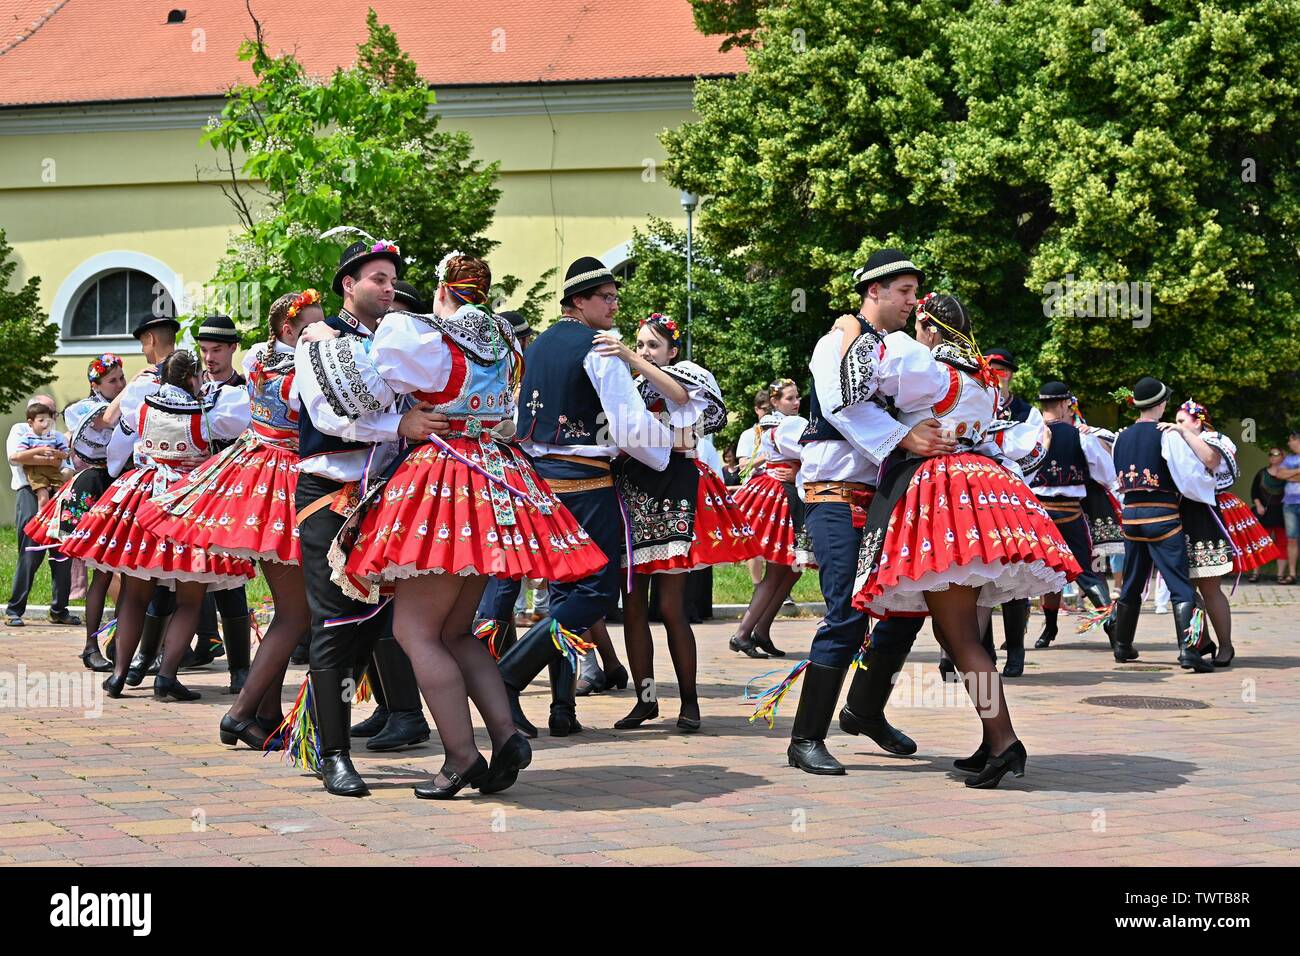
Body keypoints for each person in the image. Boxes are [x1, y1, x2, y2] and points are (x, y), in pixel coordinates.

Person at [323, 252, 608, 797]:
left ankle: (460, 756)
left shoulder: (425, 337)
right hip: (497, 479)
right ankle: (505, 734)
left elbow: (372, 377)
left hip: (444, 477)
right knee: (455, 630)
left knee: (415, 631)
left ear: (442, 290)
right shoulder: (506, 340)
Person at [851, 293, 1072, 788]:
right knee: (958, 633)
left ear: (929, 326)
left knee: (960, 637)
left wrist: (852, 331)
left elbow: (862, 382)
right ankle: (994, 737)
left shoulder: (926, 368)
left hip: (940, 497)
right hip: (981, 492)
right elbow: (1011, 441)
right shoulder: (984, 380)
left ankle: (1004, 741)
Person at [759, 250, 955, 776]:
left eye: (915, 293)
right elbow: (843, 407)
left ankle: (865, 711)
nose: (912, 303)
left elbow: (922, 401)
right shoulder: (836, 343)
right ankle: (804, 739)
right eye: (903, 293)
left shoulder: (895, 349)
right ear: (874, 291)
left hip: (887, 498)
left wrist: (929, 426)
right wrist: (904, 436)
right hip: (834, 494)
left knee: (905, 607)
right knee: (846, 614)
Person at [286, 233, 449, 796]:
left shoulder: (394, 339)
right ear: (348, 285)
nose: (387, 287)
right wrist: (398, 426)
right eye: (376, 279)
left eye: (391, 280)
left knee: (376, 621)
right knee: (336, 621)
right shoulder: (319, 341)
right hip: (329, 494)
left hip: (386, 495)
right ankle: (334, 754)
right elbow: (329, 418)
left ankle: (323, 730)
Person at [495, 256, 674, 738]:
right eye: (605, 298)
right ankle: (507, 676)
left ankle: (561, 708)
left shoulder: (535, 348)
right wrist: (667, 448)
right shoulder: (600, 348)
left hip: (539, 482)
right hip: (586, 481)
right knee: (594, 590)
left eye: (615, 296)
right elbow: (630, 424)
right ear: (579, 301)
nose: (615, 306)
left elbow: (516, 417)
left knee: (562, 594)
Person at [138, 291, 325, 747]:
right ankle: (241, 714)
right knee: (296, 613)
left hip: (255, 478)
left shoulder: (262, 358)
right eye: (313, 328)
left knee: (291, 609)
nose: (323, 336)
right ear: (288, 330)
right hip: (286, 486)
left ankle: (266, 711)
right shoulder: (302, 370)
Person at [64, 348, 253, 700]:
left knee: (135, 595)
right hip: (188, 504)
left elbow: (117, 452)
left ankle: (119, 674)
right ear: (193, 378)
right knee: (189, 599)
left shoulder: (142, 402)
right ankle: (166, 677)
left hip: (144, 500)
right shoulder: (211, 410)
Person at [599, 313, 757, 731]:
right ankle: (646, 699)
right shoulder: (631, 384)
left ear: (672, 350)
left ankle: (689, 703)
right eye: (640, 343)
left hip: (675, 488)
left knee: (670, 607)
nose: (645, 351)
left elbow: (683, 402)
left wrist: (634, 358)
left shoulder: (686, 374)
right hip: (632, 488)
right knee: (632, 605)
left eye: (653, 345)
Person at [1108, 377, 1219, 673]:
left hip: (1131, 519)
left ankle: (1121, 645)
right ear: (1161, 404)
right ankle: (1189, 651)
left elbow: (1114, 479)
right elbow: (1189, 478)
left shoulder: (1121, 437)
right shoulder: (1166, 434)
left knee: (1131, 582)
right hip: (1163, 518)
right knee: (1180, 586)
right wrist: (1210, 486)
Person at [24, 356, 127, 668]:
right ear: (94, 385)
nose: (120, 385)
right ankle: (91, 645)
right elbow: (104, 420)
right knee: (103, 571)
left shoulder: (130, 405)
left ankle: (123, 639)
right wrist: (135, 387)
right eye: (113, 381)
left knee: (131, 570)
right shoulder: (80, 408)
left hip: (123, 486)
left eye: (122, 378)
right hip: (94, 488)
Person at [1173, 400, 1280, 667]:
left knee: (1209, 586)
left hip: (1210, 514)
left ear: (1198, 422)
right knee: (1184, 587)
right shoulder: (1176, 441)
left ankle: (1226, 646)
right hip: (1183, 514)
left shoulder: (1215, 439)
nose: (1177, 427)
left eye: (1182, 421)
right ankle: (1201, 641)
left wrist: (1184, 435)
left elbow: (1212, 461)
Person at [1025, 381, 1119, 662]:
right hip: (1070, 513)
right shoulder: (1082, 436)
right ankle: (1113, 629)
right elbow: (1106, 474)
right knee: (1087, 571)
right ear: (1066, 403)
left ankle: (1036, 635)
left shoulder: (1029, 434)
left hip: (1038, 516)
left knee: (1040, 572)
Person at [729, 379, 810, 658]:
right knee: (778, 571)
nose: (796, 402)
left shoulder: (791, 422)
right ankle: (743, 633)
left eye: (797, 397)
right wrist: (794, 472)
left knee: (791, 571)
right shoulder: (779, 425)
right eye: (789, 398)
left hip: (792, 493)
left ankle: (760, 631)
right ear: (775, 402)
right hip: (780, 497)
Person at [6, 396, 79, 628]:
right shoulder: (20, 430)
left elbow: (66, 468)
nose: (50, 418)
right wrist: (47, 459)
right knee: (30, 552)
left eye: (54, 413)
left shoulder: (57, 436)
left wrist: (44, 459)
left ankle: (59, 609)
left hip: (58, 493)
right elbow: (16, 459)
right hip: (29, 492)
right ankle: (15, 609)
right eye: (45, 412)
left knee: (62, 553)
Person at [736, 387, 771, 587]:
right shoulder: (750, 434)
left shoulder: (781, 431)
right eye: (765, 410)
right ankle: (758, 584)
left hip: (778, 488)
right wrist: (765, 457)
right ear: (757, 410)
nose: (769, 415)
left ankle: (775, 585)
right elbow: (742, 466)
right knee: (756, 538)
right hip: (757, 490)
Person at [17, 405, 71, 508]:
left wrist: (56, 453)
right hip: (36, 471)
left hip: (53, 471)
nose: (45, 424)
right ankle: (41, 520)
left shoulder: (54, 437)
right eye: (41, 420)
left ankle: (57, 517)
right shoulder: (27, 437)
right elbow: (21, 455)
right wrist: (39, 451)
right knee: (43, 497)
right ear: (30, 422)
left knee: (61, 495)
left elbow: (65, 454)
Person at [1251, 447, 1288, 582]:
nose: (1273, 457)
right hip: (1264, 514)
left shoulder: (1288, 475)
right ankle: (1256, 573)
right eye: (1271, 454)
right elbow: (1254, 492)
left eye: (1277, 454)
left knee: (1283, 543)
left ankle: (1280, 574)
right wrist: (1259, 505)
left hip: (1282, 513)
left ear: (1283, 456)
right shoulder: (1261, 473)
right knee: (1260, 543)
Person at [1271, 431, 1300, 584]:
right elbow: (1279, 474)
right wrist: (1297, 471)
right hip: (1289, 503)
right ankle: (1292, 574)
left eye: (1290, 440)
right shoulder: (1289, 459)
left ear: (1297, 440)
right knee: (1292, 539)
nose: (1288, 444)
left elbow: (1284, 474)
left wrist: (1290, 475)